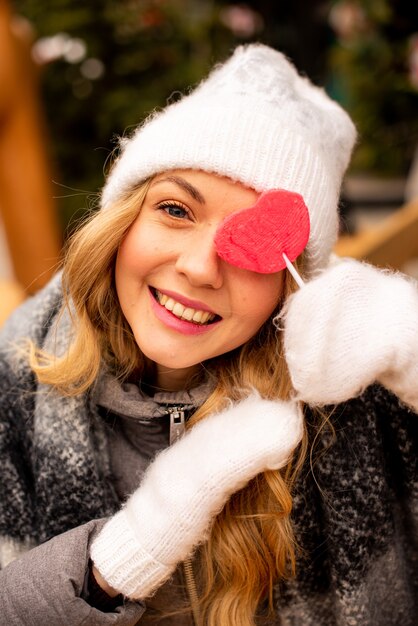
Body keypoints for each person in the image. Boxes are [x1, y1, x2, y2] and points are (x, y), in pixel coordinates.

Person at [0, 43, 417, 626]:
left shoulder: (351, 393)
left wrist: (410, 348)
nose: (199, 268)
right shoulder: (16, 374)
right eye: (175, 209)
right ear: (123, 222)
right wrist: (118, 561)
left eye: (253, 246)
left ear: (289, 284)